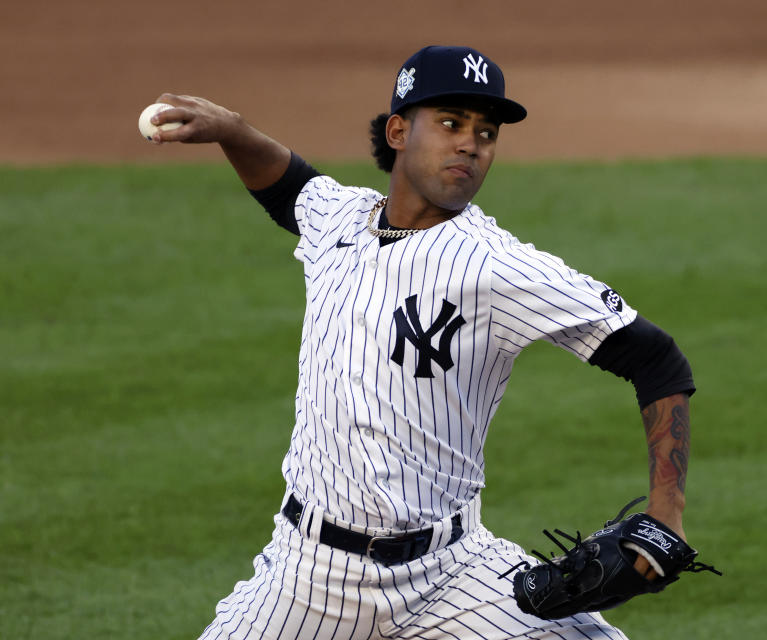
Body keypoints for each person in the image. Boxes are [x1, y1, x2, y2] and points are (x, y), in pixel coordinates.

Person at [152, 45, 696, 640]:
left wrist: (666, 513)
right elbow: (286, 185)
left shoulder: (497, 267)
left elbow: (655, 357)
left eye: (486, 133)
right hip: (304, 576)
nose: (471, 144)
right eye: (450, 124)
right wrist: (232, 130)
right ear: (398, 131)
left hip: (450, 576)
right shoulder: (338, 219)